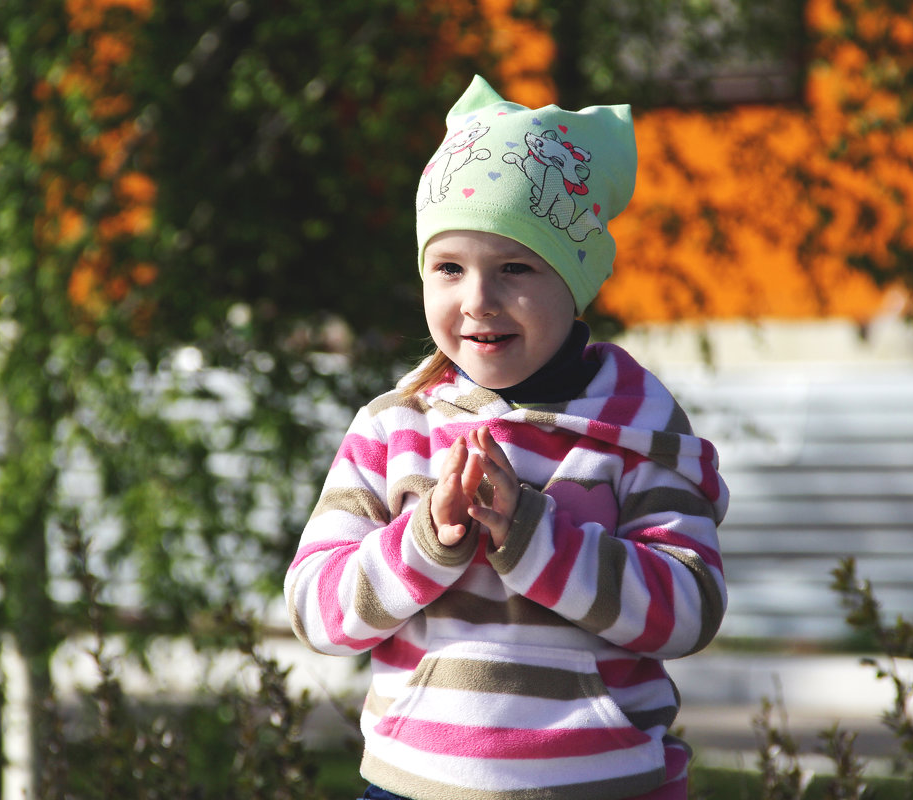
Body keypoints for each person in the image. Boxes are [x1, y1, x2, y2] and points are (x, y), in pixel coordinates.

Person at [284, 75, 728, 800]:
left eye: (515, 268)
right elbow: (314, 607)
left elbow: (688, 608)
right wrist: (425, 541)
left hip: (601, 783)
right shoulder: (396, 426)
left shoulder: (635, 426)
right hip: (415, 783)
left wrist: (533, 537)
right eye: (449, 269)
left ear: (575, 279)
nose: (478, 300)